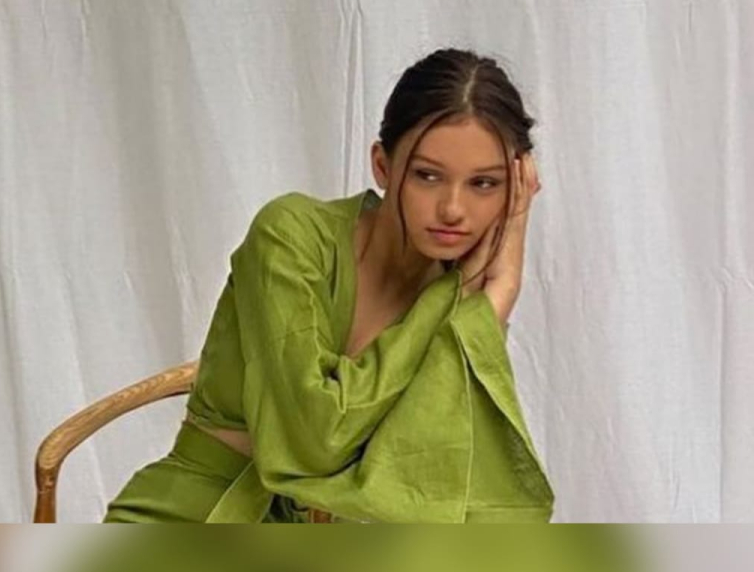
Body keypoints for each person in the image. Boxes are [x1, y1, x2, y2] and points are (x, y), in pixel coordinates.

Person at [102, 47, 553, 523]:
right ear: (383, 165)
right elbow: (315, 442)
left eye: (484, 184)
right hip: (198, 512)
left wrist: (499, 292)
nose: (453, 209)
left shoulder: (461, 292)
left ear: (517, 188)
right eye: (427, 176)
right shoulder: (291, 235)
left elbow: (439, 471)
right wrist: (460, 297)